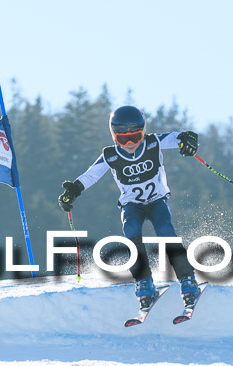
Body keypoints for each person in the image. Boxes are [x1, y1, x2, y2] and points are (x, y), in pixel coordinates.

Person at [58, 105, 200, 310]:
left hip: (157, 201)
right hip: (132, 205)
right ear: (114, 137)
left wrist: (189, 140)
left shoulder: (153, 143)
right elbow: (90, 176)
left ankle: (187, 279)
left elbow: (179, 137)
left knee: (165, 231)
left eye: (136, 137)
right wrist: (73, 191)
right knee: (131, 231)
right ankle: (144, 282)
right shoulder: (111, 156)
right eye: (122, 139)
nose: (130, 143)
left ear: (144, 132)